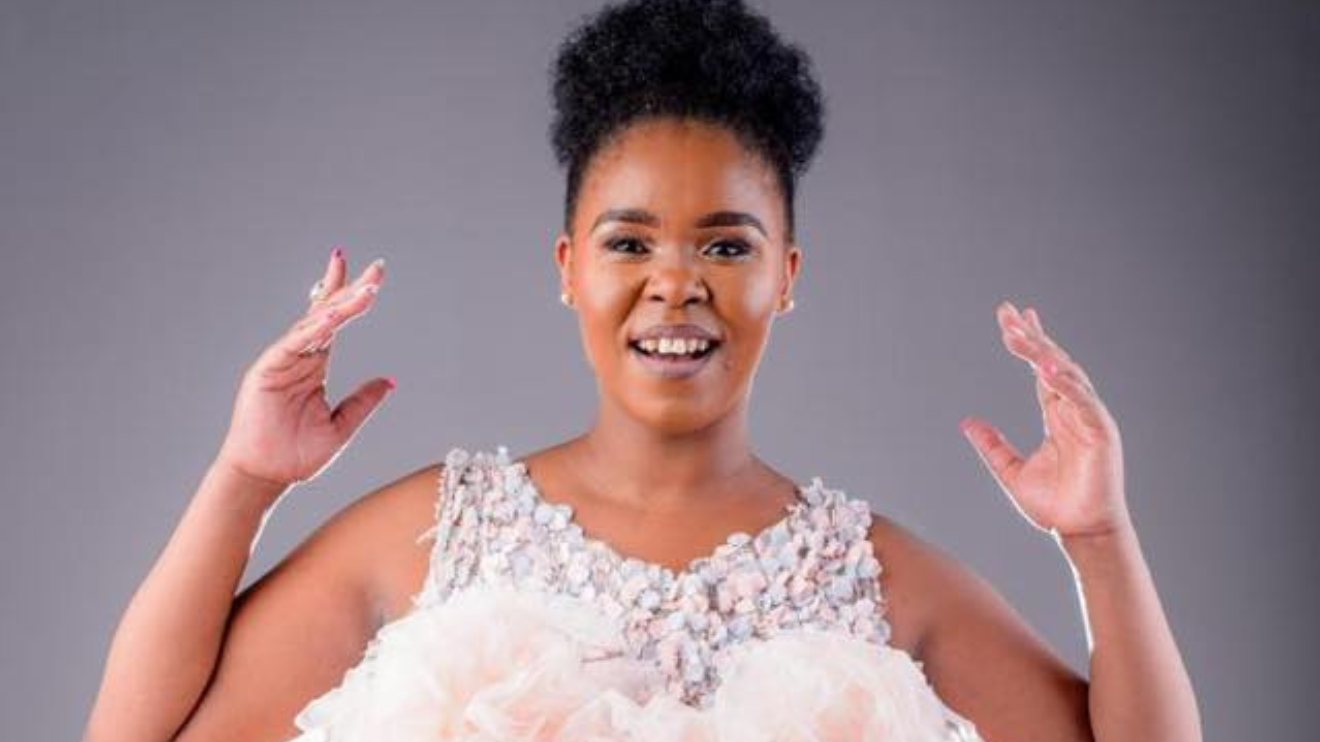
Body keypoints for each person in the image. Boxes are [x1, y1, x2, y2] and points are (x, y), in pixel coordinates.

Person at [83, 0, 1202, 740]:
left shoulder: (876, 576)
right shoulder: (435, 532)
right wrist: (244, 480)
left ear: (787, 275)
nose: (676, 284)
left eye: (727, 246)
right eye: (629, 243)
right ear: (568, 267)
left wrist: (1099, 540)